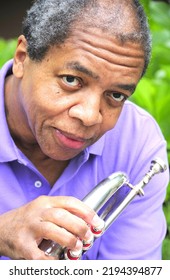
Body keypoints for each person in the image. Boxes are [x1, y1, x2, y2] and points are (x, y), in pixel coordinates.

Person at [0, 0, 169, 260]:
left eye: (115, 95)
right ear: (22, 57)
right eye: (71, 80)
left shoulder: (137, 142)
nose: (90, 116)